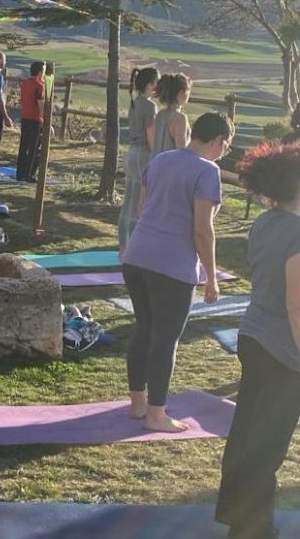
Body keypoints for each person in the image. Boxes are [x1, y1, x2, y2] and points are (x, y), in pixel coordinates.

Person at [122, 111, 233, 433]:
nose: (223, 152)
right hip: (170, 266)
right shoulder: (207, 171)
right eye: (225, 146)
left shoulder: (161, 160)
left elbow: (144, 209)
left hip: (137, 256)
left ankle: (138, 404)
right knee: (165, 340)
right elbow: (202, 230)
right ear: (216, 140)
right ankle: (157, 414)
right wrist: (211, 276)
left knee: (144, 330)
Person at [215, 143, 300, 539]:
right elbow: (296, 307)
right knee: (266, 447)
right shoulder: (297, 233)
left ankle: (241, 521)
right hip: (285, 350)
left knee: (248, 435)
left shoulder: (266, 222)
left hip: (253, 336)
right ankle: (253, 530)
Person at [118, 67, 160, 250]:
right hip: (143, 154)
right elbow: (151, 134)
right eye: (156, 82)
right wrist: (157, 154)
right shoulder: (150, 106)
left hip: (131, 152)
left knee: (127, 204)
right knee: (137, 206)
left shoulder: (135, 102)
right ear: (150, 84)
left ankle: (122, 247)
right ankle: (132, 248)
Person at [16, 61, 46, 182]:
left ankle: (20, 173)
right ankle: (29, 175)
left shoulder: (25, 83)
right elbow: (41, 105)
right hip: (35, 119)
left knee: (23, 147)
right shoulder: (39, 86)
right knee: (34, 148)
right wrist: (45, 120)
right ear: (40, 72)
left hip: (25, 117)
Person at [151, 73, 192, 157]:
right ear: (181, 92)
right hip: (171, 166)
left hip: (156, 164)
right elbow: (181, 151)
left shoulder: (160, 115)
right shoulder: (180, 118)